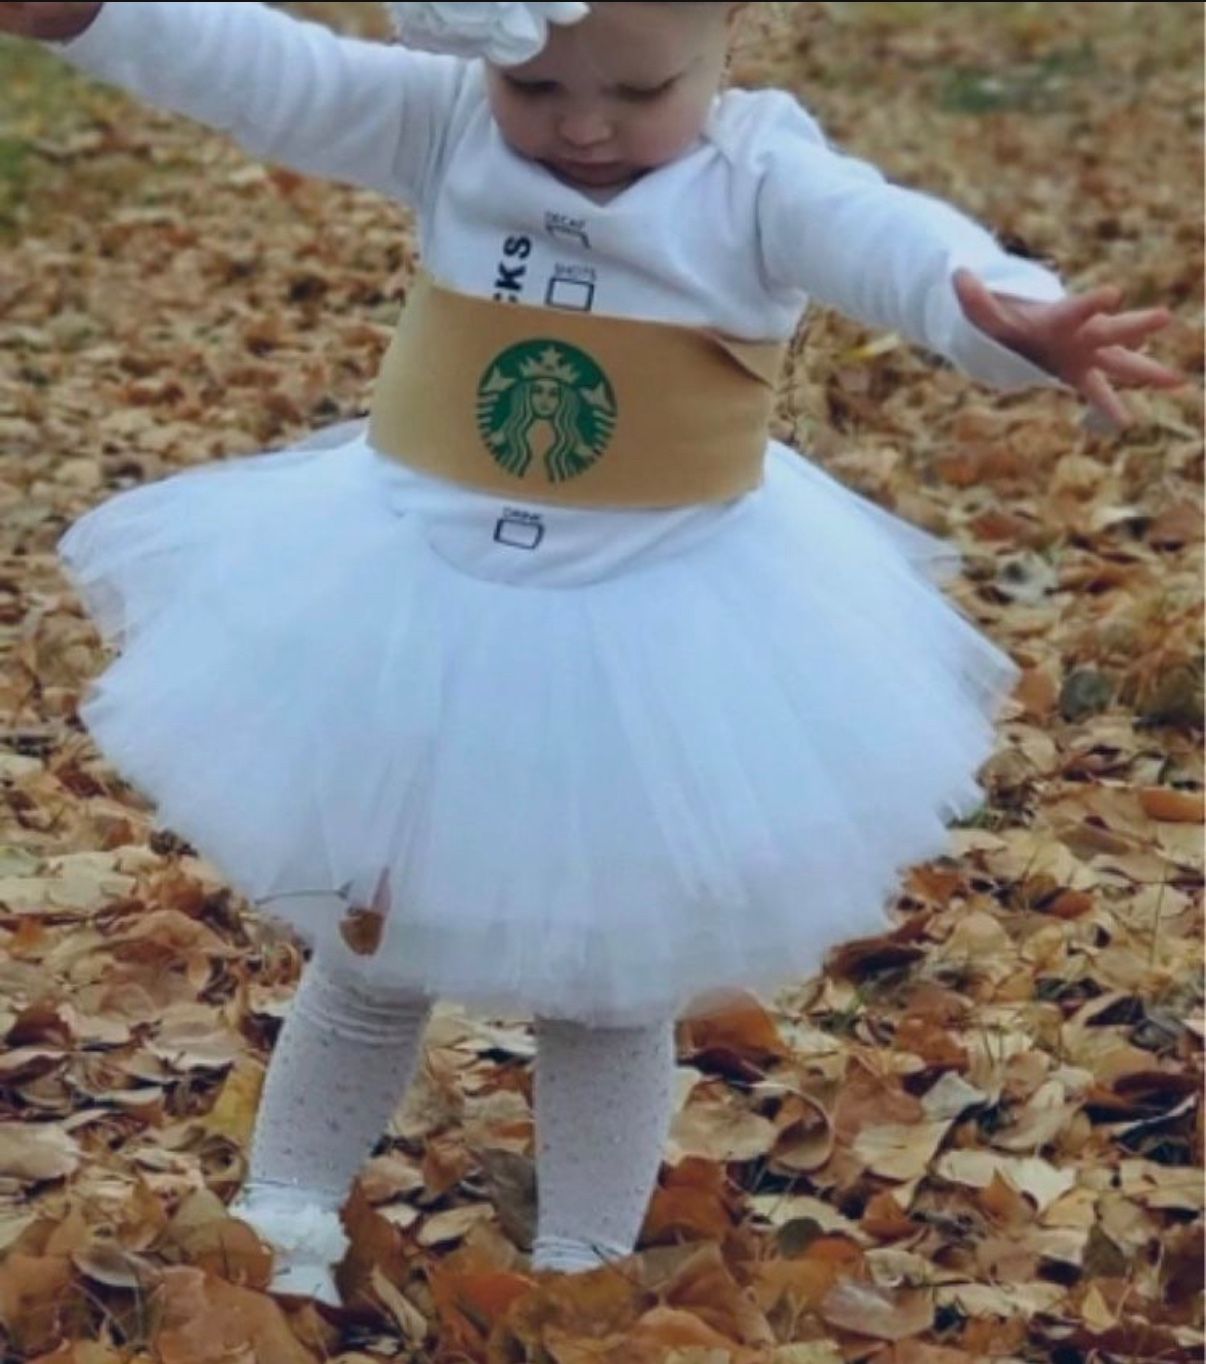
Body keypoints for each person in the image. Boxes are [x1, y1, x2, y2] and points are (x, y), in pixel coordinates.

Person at [1, 0, 1179, 1306]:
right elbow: (272, 75)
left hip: (651, 635)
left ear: (731, 30)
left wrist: (1006, 316)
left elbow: (892, 242)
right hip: (416, 614)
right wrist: (96, 18)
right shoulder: (445, 122)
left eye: (635, 89)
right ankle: (283, 1209)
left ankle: (583, 1259)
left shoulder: (756, 178)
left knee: (614, 988)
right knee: (366, 939)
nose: (580, 124)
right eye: (537, 82)